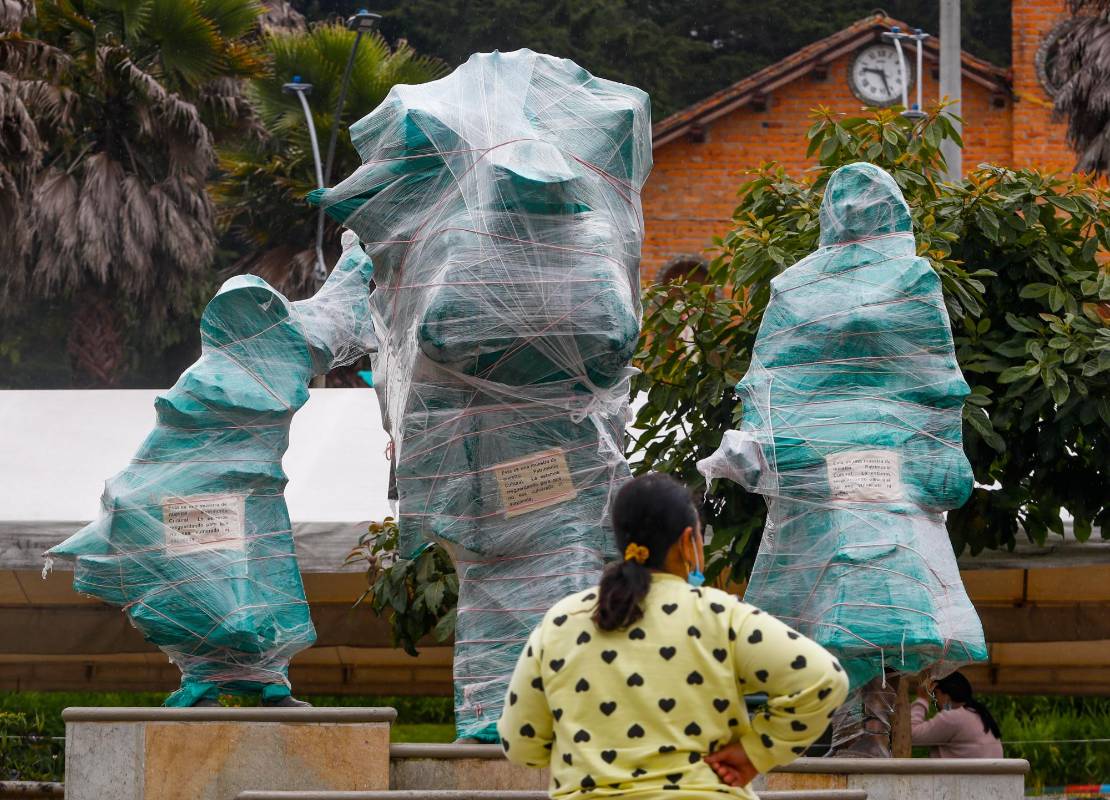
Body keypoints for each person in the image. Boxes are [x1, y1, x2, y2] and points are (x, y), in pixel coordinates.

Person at [498, 472, 850, 797]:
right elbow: (823, 679)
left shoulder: (561, 623)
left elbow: (521, 744)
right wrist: (754, 752)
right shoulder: (718, 616)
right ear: (688, 541)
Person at [912, 671, 1003, 758]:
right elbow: (947, 709)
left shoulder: (953, 718)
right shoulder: (976, 714)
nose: (934, 700)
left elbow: (912, 736)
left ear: (946, 695)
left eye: (935, 694)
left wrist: (922, 699)